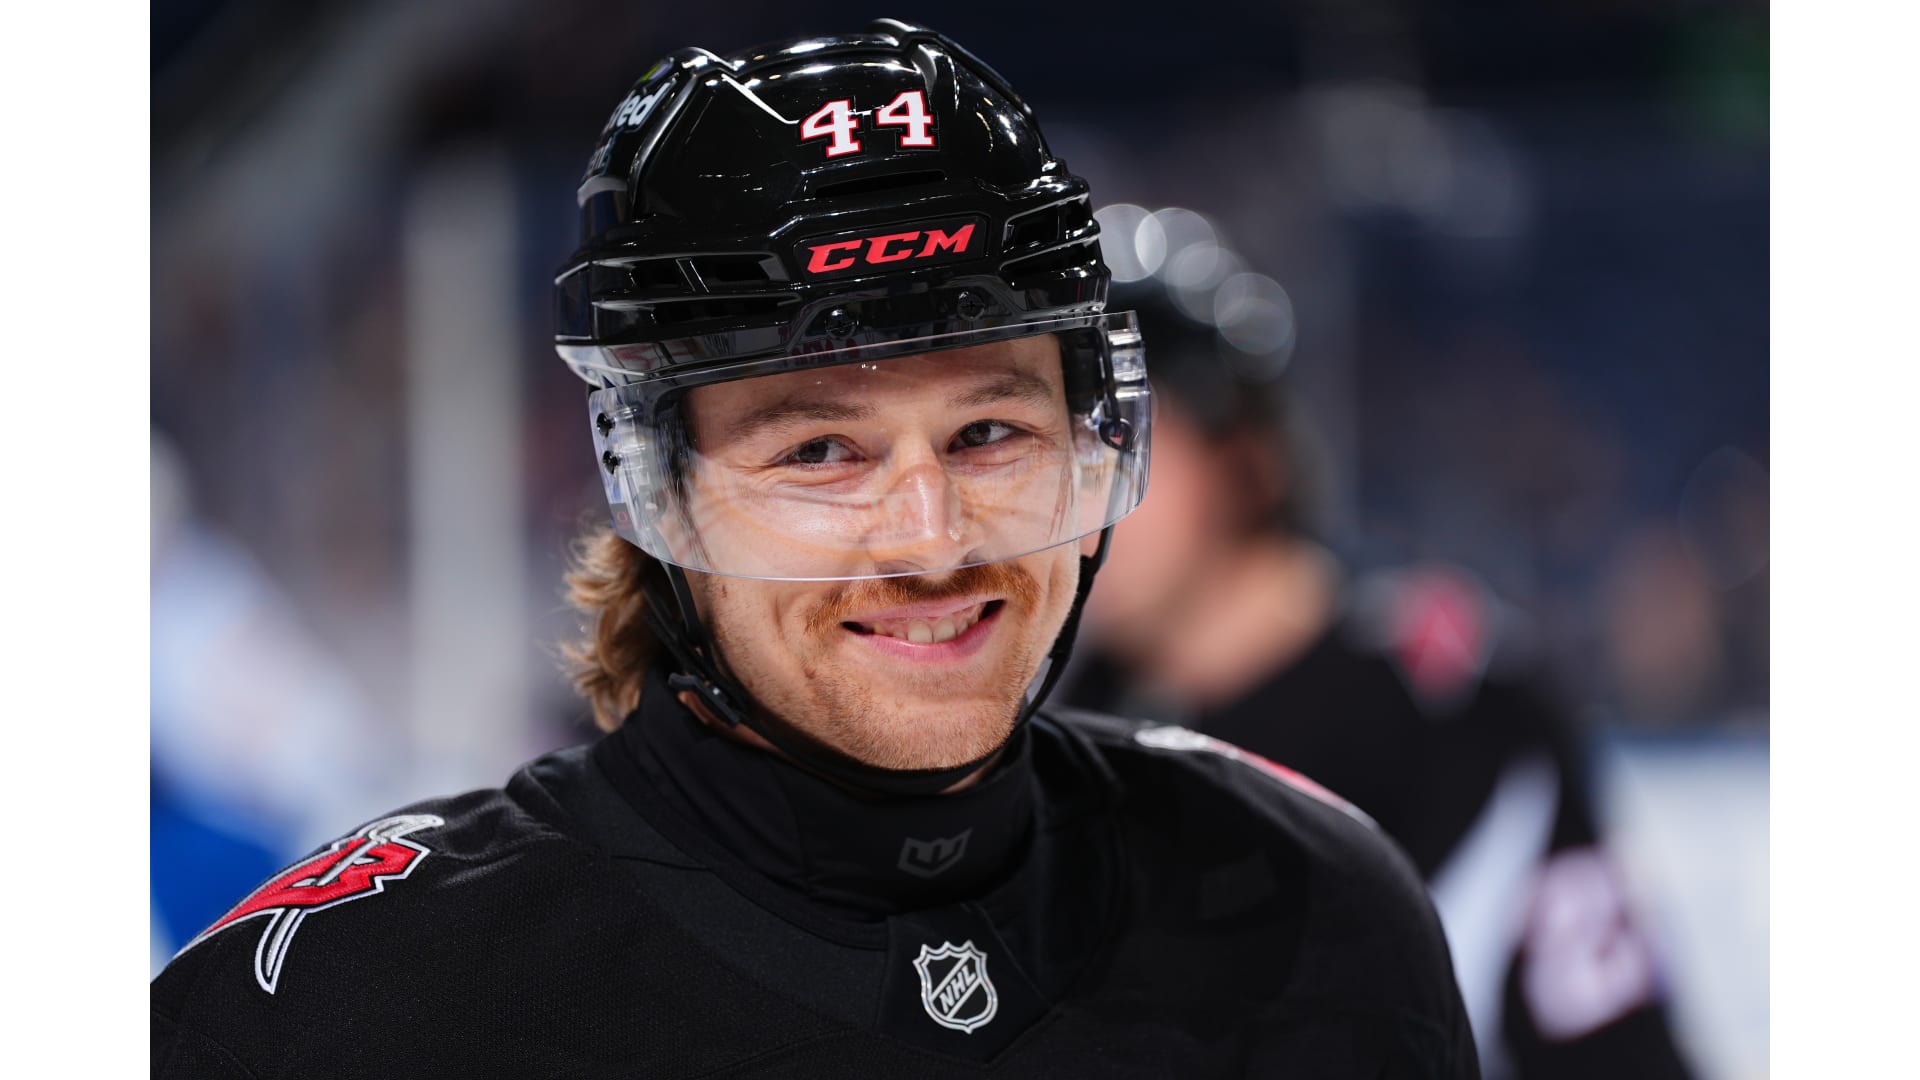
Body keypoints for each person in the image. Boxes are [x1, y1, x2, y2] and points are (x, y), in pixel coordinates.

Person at [151, 23, 1478, 1078]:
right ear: (657, 487)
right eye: (820, 453)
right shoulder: (339, 1008)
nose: (931, 541)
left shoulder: (1317, 905)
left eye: (989, 433)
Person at [1063, 265, 1695, 1079]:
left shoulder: (1449, 715)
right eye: (1058, 450)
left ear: (1245, 452)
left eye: (1119, 438)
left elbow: (1615, 1054)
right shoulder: (1077, 730)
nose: (1080, 496)